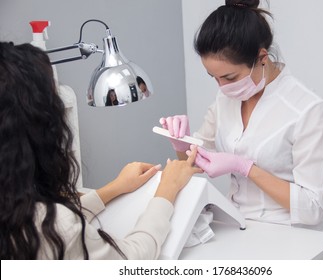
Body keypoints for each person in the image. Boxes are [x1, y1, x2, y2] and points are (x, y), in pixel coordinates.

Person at [160, 0, 323, 259]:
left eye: (230, 77)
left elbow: (314, 209)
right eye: (213, 77)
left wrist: (245, 167)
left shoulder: (309, 111)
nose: (221, 87)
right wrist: (182, 143)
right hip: (240, 230)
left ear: (261, 58)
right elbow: (193, 164)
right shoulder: (225, 100)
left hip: (301, 240)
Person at [0, 41, 202, 260]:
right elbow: (130, 260)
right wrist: (167, 190)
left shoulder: (15, 209)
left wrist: (112, 189)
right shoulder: (57, 226)